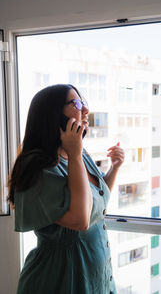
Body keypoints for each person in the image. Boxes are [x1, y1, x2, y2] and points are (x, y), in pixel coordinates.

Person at [7, 84, 125, 294]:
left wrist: (114, 169)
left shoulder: (77, 154)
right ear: (52, 113)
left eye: (84, 102)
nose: (86, 110)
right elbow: (81, 220)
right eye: (77, 104)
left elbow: (95, 200)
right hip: (59, 281)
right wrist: (76, 154)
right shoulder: (38, 167)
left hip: (95, 279)